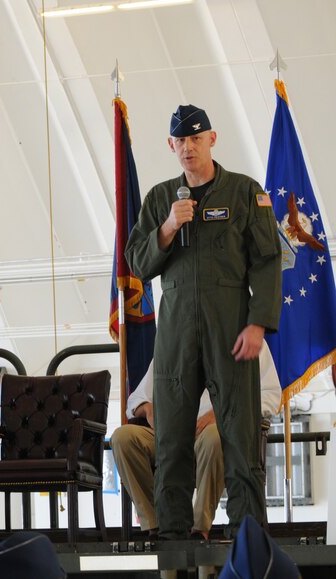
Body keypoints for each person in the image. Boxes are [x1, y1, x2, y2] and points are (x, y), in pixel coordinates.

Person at [124, 104, 282, 539]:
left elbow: (268, 262)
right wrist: (167, 229)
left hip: (230, 326)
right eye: (181, 140)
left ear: (212, 139)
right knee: (171, 442)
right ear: (171, 146)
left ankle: (249, 542)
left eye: (197, 138)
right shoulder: (160, 199)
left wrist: (257, 324)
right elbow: (136, 261)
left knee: (239, 437)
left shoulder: (246, 193)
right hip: (176, 330)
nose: (189, 147)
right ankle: (174, 546)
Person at [111, 343, 281, 539]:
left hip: (220, 433)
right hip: (172, 436)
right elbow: (136, 400)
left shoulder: (246, 336)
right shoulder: (176, 337)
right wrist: (148, 409)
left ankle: (200, 528)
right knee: (123, 438)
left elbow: (270, 397)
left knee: (213, 437)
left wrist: (220, 416)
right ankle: (158, 524)